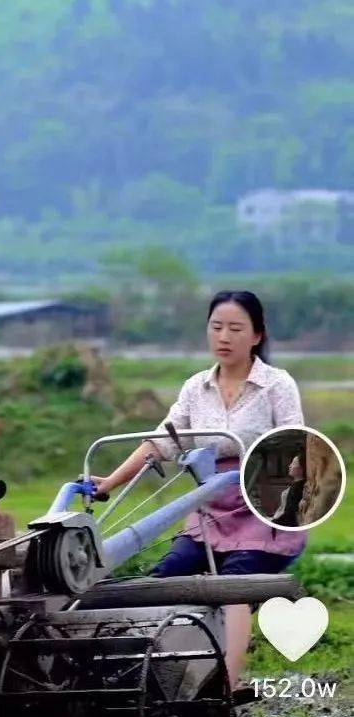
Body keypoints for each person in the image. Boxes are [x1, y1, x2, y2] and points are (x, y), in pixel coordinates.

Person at [92, 290, 307, 690]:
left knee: (234, 583)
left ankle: (227, 682)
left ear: (257, 335)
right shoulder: (196, 388)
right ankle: (142, 674)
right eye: (217, 327)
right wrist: (108, 482)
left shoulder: (276, 384)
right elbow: (161, 442)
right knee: (165, 578)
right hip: (209, 506)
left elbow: (297, 442)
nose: (224, 336)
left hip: (263, 508)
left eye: (236, 328)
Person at [270, 452, 307, 527]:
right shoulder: (298, 485)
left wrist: (272, 523)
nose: (289, 466)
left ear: (302, 468)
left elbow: (290, 515)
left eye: (293, 463)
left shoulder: (297, 488)